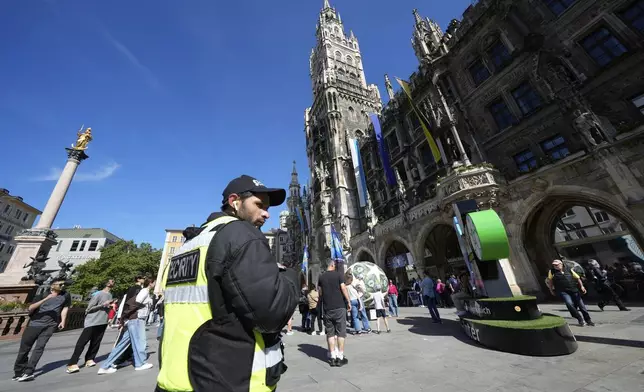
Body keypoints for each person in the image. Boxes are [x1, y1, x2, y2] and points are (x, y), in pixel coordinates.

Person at [156, 175, 300, 392]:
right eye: (259, 205)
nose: (266, 214)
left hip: (174, 376)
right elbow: (272, 315)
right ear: (234, 201)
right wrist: (289, 276)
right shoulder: (241, 234)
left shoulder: (190, 244)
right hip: (226, 376)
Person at [13, 280, 71, 382]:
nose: (62, 286)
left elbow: (65, 308)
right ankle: (19, 371)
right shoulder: (43, 294)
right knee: (24, 349)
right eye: (60, 284)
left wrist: (63, 321)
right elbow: (31, 308)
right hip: (34, 324)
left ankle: (28, 372)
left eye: (63, 285)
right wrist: (46, 298)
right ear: (53, 286)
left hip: (50, 325)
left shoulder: (65, 295)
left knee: (39, 348)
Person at [98, 279, 156, 374]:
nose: (155, 284)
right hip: (137, 319)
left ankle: (105, 366)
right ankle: (140, 363)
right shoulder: (144, 291)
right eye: (154, 282)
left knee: (122, 344)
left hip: (133, 320)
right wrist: (126, 316)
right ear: (150, 283)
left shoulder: (145, 291)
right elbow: (136, 303)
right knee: (140, 342)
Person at [66, 279, 116, 373]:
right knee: (82, 342)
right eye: (111, 281)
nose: (112, 283)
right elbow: (89, 309)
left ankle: (89, 358)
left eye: (113, 282)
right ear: (106, 283)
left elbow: (106, 307)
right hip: (92, 321)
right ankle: (72, 363)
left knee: (96, 342)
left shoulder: (110, 295)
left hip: (103, 321)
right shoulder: (98, 294)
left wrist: (109, 307)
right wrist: (103, 305)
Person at [318, 261, 351, 367]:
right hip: (339, 306)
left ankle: (332, 357)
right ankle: (340, 357)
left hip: (327, 308)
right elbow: (343, 288)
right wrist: (348, 301)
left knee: (330, 333)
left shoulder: (321, 277)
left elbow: (320, 293)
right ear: (332, 265)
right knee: (341, 332)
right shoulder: (338, 275)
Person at [547, 259, 595, 327]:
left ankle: (588, 320)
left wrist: (582, 286)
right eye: (554, 265)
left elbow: (577, 278)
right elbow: (550, 281)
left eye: (557, 265)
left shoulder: (569, 269)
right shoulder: (552, 272)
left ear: (561, 264)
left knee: (582, 306)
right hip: (563, 291)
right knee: (569, 304)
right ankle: (580, 319)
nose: (555, 266)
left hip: (574, 290)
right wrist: (551, 290)